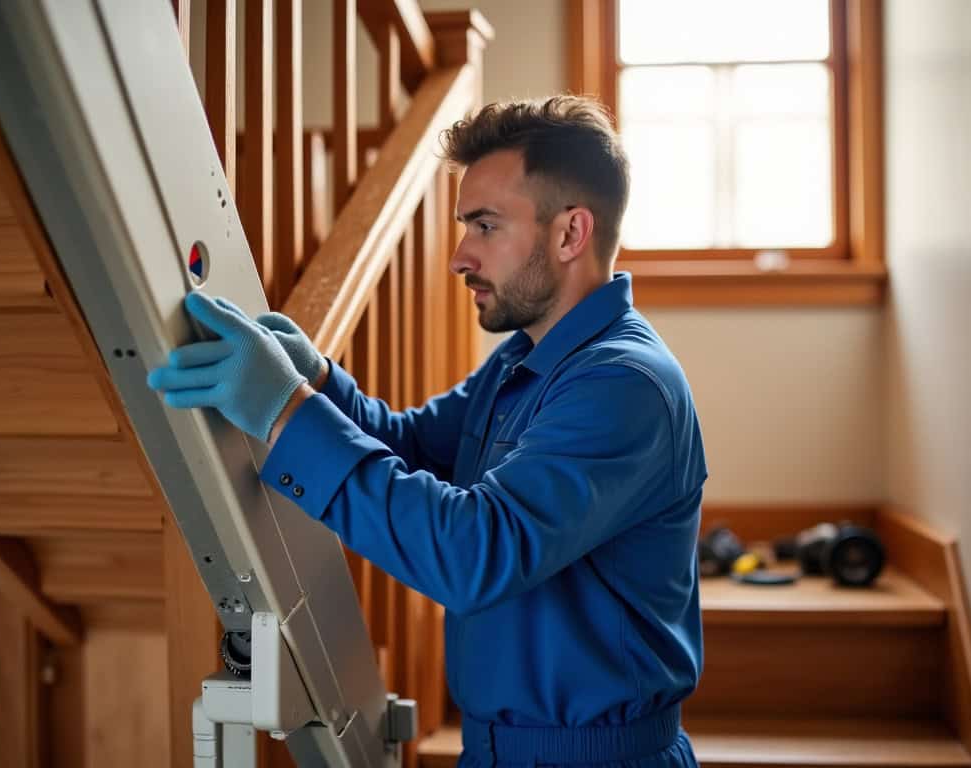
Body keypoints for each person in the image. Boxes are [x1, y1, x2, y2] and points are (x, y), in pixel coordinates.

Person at [148, 95, 708, 767]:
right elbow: (412, 446)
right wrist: (319, 383)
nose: (459, 256)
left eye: (485, 226)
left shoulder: (625, 386)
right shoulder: (523, 360)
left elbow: (474, 551)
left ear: (569, 235)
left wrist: (284, 409)